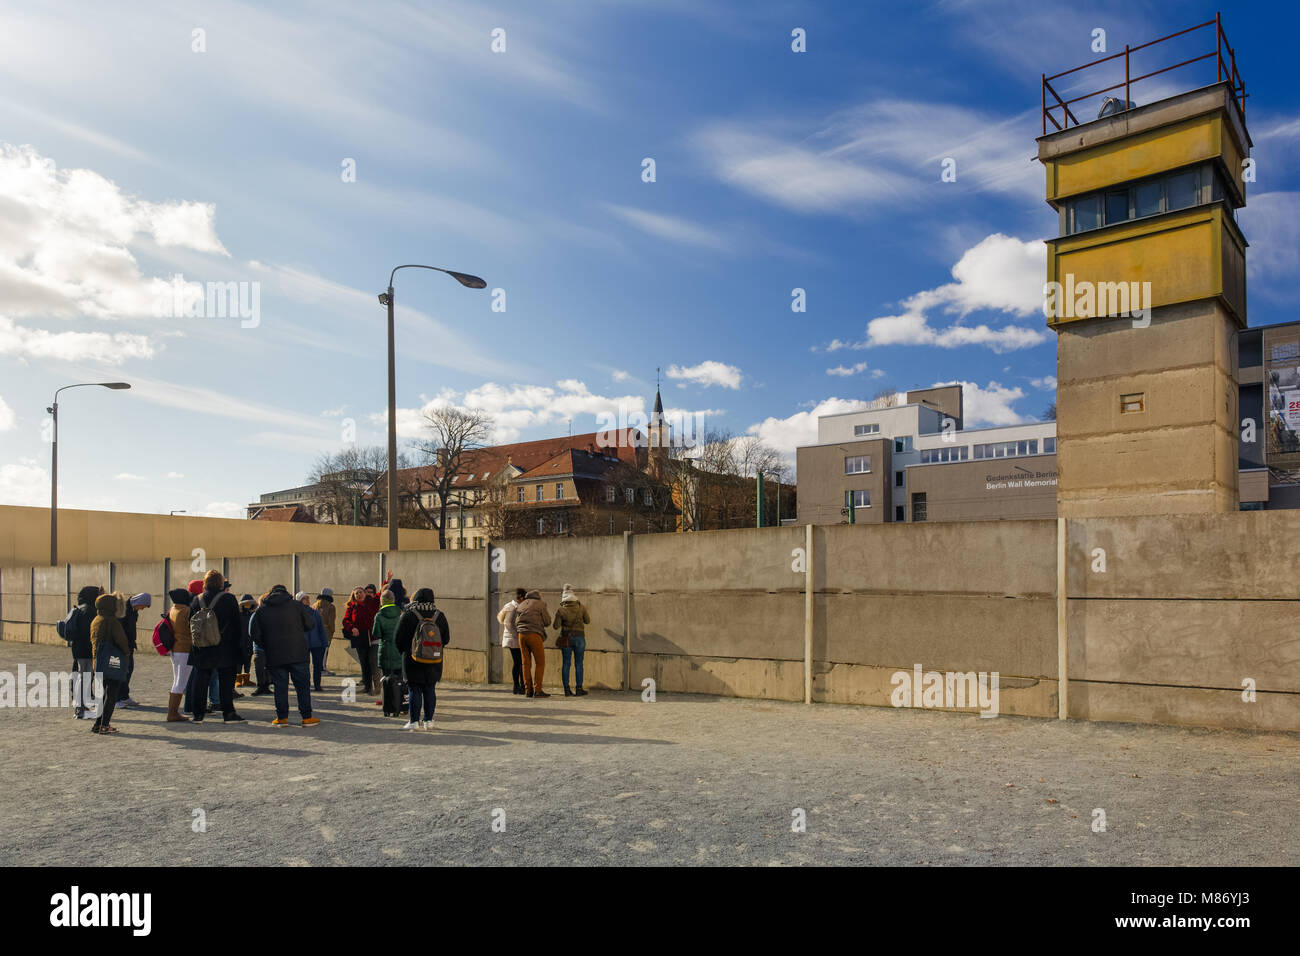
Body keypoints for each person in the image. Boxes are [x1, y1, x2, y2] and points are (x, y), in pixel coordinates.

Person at [250, 584, 318, 726]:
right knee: (302, 687)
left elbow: (254, 633)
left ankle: (282, 718)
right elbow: (310, 624)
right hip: (298, 653)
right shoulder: (297, 606)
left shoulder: (262, 610)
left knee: (280, 687)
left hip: (275, 655)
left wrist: (267, 645)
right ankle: (306, 717)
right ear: (286, 593)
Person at [188, 570, 245, 723]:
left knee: (200, 680)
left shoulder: (196, 600)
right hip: (225, 646)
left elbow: (190, 623)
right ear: (221, 583)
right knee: (226, 681)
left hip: (201, 646)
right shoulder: (228, 599)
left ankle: (198, 714)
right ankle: (228, 713)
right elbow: (237, 623)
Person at [394, 587, 449, 729]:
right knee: (430, 689)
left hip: (412, 659)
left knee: (414, 689)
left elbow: (398, 638)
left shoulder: (408, 615)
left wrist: (405, 652)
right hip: (434, 660)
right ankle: (428, 721)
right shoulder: (439, 615)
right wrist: (434, 649)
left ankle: (413, 722)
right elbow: (447, 638)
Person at [89, 592, 130, 734]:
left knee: (101, 695)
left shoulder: (96, 619)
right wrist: (126, 653)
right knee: (111, 695)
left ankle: (97, 724)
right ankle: (104, 725)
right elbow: (122, 641)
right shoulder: (111, 621)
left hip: (98, 661)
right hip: (111, 662)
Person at [63, 585, 101, 719]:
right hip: (86, 649)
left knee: (82, 676)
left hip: (78, 648)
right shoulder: (89, 611)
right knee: (85, 677)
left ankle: (80, 706)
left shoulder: (80, 609)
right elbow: (88, 633)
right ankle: (80, 708)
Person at [553, 583, 591, 697]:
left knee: (566, 664)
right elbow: (588, 621)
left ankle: (566, 689)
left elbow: (556, 626)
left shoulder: (561, 610)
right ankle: (579, 688)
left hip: (566, 639)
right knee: (579, 663)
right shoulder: (581, 607)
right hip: (580, 638)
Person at [371, 589, 403, 717]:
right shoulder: (400, 613)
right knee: (399, 679)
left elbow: (376, 634)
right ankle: (399, 705)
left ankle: (388, 707)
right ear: (393, 600)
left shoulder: (379, 615)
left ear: (382, 601)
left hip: (385, 649)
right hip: (398, 650)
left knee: (386, 680)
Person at [513, 589, 551, 699]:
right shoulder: (541, 604)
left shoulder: (521, 604)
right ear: (538, 596)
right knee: (540, 662)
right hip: (534, 634)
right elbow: (547, 621)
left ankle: (528, 690)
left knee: (525, 663)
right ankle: (537, 690)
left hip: (521, 635)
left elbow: (516, 621)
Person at [342, 586, 379, 695]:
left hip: (373, 637)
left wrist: (387, 581)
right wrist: (352, 628)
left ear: (365, 593)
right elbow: (346, 620)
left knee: (373, 661)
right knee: (364, 663)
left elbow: (380, 595)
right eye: (356, 593)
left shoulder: (371, 602)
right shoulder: (352, 606)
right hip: (360, 637)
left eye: (360, 592)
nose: (359, 594)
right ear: (353, 596)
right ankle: (367, 687)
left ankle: (377, 687)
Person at [116, 593, 150, 707]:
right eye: (143, 606)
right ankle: (117, 699)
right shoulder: (124, 610)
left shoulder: (133, 611)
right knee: (121, 672)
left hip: (129, 645)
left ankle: (124, 696)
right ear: (139, 602)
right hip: (122, 646)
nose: (143, 609)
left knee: (129, 670)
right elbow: (120, 629)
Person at [165, 587, 193, 723]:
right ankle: (173, 713)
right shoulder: (186, 611)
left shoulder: (173, 610)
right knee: (180, 683)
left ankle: (173, 712)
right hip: (185, 648)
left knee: (177, 681)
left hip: (175, 648)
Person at [497, 588, 526, 695]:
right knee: (518, 662)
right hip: (513, 639)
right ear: (521, 598)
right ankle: (517, 686)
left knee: (519, 662)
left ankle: (519, 686)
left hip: (513, 638)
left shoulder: (513, 606)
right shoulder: (512, 607)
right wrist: (517, 636)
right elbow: (508, 623)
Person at [298, 591, 328, 691]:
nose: (307, 600)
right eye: (305, 598)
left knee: (317, 666)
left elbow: (321, 628)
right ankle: (305, 684)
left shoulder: (314, 612)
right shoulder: (296, 613)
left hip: (317, 643)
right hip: (303, 644)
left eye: (308, 598)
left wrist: (324, 642)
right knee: (304, 666)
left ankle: (317, 685)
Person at [314, 588, 336, 677]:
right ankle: (322, 669)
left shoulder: (315, 605)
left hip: (315, 631)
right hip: (326, 631)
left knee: (318, 652)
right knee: (325, 651)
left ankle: (318, 668)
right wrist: (332, 630)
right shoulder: (331, 606)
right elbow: (331, 621)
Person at [236, 594, 257, 688]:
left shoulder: (253, 614)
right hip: (240, 640)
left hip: (249, 640)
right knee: (239, 661)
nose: (248, 606)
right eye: (246, 604)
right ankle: (238, 679)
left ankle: (246, 679)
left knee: (248, 660)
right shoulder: (238, 614)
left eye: (249, 604)